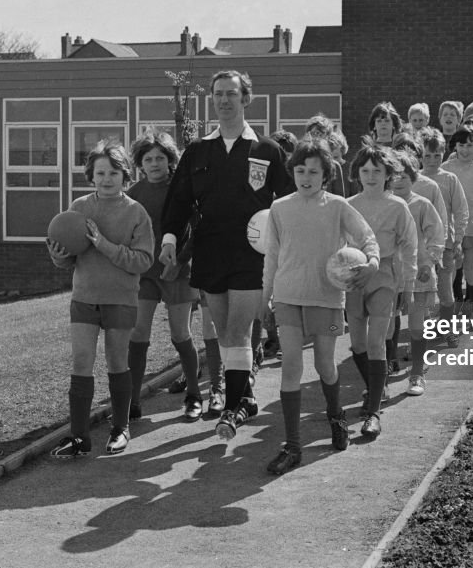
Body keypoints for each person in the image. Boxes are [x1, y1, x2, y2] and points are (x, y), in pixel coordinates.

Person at [160, 70, 293, 442]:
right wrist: (170, 239)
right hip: (210, 251)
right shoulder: (198, 150)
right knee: (224, 334)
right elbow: (179, 201)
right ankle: (245, 398)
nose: (223, 100)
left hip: (251, 256)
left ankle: (232, 411)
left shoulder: (267, 150)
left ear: (246, 99)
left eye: (231, 94)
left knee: (237, 331)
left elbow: (287, 201)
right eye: (218, 94)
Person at [261, 138, 380, 474]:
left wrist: (371, 262)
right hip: (287, 299)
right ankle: (293, 446)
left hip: (327, 302)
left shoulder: (338, 206)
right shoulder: (280, 208)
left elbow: (367, 236)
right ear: (292, 172)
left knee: (325, 364)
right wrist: (264, 294)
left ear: (326, 174)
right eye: (300, 170)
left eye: (314, 171)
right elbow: (271, 255)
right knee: (291, 366)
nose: (306, 177)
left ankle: (336, 416)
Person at [47, 139, 155, 458]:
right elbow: (70, 257)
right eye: (100, 173)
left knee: (117, 361)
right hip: (84, 298)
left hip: (121, 299)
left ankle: (120, 429)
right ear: (91, 176)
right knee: (81, 362)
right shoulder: (79, 208)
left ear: (125, 175)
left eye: (113, 173)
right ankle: (79, 437)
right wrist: (58, 256)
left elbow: (144, 261)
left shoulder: (136, 213)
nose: (106, 179)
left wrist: (104, 245)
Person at [126, 130, 203, 423]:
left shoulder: (182, 189)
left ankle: (194, 395)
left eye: (160, 157)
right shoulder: (132, 194)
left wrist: (181, 260)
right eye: (148, 159)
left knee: (179, 333)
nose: (155, 163)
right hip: (144, 273)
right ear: (140, 163)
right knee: (138, 333)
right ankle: (132, 401)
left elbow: (198, 230)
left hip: (178, 271)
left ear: (170, 160)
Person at [347, 140, 417, 439]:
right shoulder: (348, 205)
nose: (371, 176)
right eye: (365, 170)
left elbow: (410, 247)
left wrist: (408, 285)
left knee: (376, 342)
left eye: (377, 170)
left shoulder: (397, 207)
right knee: (358, 344)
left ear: (388, 173)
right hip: (353, 278)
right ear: (357, 173)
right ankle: (377, 385)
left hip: (385, 276)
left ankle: (373, 411)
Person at [389, 151, 444, 397]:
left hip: (419, 276)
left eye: (405, 175)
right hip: (389, 276)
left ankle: (417, 373)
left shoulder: (422, 205)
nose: (399, 180)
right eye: (395, 175)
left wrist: (429, 262)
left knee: (417, 327)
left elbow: (436, 236)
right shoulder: (384, 204)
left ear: (414, 178)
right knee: (387, 327)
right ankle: (385, 373)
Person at [417, 127, 468, 346]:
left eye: (437, 155)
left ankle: (447, 329)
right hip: (421, 246)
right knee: (423, 289)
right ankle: (425, 327)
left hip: (446, 243)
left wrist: (457, 240)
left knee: (446, 289)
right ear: (420, 156)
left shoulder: (449, 179)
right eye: (427, 155)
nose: (432, 160)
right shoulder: (414, 180)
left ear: (444, 154)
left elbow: (461, 210)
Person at [441, 124, 473, 313]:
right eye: (461, 145)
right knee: (452, 270)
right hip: (451, 229)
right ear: (454, 145)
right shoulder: (445, 169)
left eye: (470, 145)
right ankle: (455, 307)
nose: (465, 150)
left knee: (470, 269)